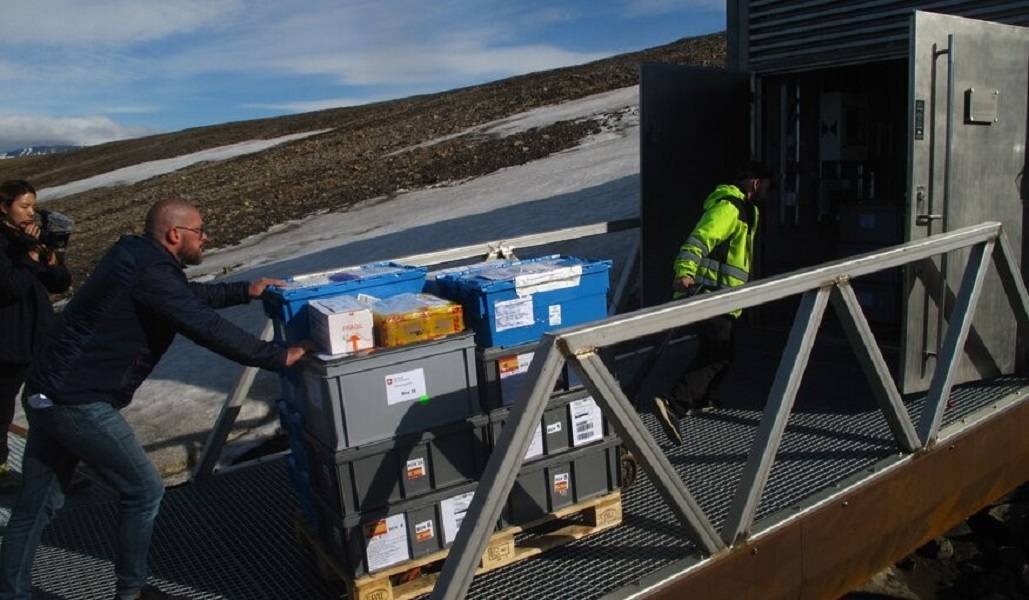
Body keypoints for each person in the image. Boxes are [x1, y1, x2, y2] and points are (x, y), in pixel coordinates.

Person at [0, 198, 311, 600]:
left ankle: (10, 591)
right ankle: (131, 592)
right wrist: (278, 356)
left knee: (38, 502)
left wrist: (244, 291)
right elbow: (203, 326)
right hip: (75, 399)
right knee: (143, 489)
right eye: (200, 231)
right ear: (174, 234)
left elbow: (182, 295)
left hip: (50, 391)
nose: (206, 237)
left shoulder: (140, 258)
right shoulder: (149, 270)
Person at [652, 163, 771, 446]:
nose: (768, 192)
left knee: (715, 350)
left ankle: (702, 398)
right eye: (767, 185)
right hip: (710, 293)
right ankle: (674, 404)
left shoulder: (744, 210)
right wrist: (684, 272)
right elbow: (701, 238)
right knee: (718, 355)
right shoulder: (729, 208)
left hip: (724, 297)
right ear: (756, 183)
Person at [0, 180, 71, 490]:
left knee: (53, 402)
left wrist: (51, 257)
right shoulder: (5, 244)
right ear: (4, 207)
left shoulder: (30, 238)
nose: (31, 213)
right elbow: (10, 288)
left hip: (40, 336)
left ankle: (59, 470)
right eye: (24, 206)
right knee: (2, 407)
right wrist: (29, 259)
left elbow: (59, 284)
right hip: (7, 340)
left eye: (33, 206)